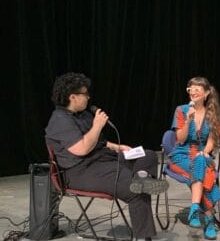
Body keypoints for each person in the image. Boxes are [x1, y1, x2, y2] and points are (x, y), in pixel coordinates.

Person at [45, 72, 169, 241]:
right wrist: (97, 126)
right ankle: (143, 233)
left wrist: (119, 147)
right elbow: (81, 149)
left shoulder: (84, 115)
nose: (88, 97)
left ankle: (143, 180)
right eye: (85, 93)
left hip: (103, 159)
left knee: (147, 156)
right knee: (136, 190)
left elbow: (100, 142)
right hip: (80, 171)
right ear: (72, 97)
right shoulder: (59, 120)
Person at [168, 77, 220, 240]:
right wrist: (188, 121)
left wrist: (205, 152)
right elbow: (180, 139)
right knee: (205, 176)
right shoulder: (181, 110)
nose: (193, 92)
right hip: (181, 155)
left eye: (197, 89)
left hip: (202, 154)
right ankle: (208, 219)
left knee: (200, 161)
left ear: (206, 93)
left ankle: (194, 208)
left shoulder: (213, 113)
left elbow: (212, 141)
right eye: (190, 89)